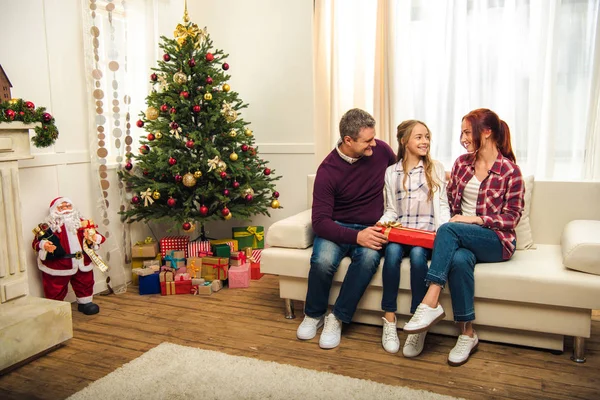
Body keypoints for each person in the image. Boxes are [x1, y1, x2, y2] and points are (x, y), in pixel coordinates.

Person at [403, 108, 525, 366]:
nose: (463, 138)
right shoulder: (461, 164)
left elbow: (512, 218)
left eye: (468, 132)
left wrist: (476, 220)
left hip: (496, 241)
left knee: (449, 229)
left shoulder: (510, 171)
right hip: (462, 238)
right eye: (462, 133)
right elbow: (448, 202)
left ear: (487, 132)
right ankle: (468, 334)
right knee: (458, 260)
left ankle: (430, 301)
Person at [296, 108, 396, 349]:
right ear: (348, 140)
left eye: (374, 137)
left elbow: (402, 177)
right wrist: (356, 236)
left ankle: (337, 318)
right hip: (337, 227)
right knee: (322, 261)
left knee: (368, 260)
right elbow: (320, 222)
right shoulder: (328, 170)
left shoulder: (382, 151)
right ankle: (314, 314)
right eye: (368, 140)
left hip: (371, 227)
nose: (375, 144)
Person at [377, 120, 450, 356]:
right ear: (404, 141)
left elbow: (442, 205)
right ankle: (389, 318)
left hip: (425, 235)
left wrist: (444, 233)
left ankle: (418, 325)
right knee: (391, 252)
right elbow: (391, 210)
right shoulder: (391, 172)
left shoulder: (435, 169)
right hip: (401, 232)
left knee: (419, 257)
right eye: (419, 137)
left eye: (427, 136)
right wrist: (381, 224)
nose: (425, 141)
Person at [32, 197, 106, 315]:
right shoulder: (49, 227)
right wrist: (45, 245)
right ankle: (56, 307)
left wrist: (94, 238)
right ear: (54, 210)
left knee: (85, 282)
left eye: (68, 206)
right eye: (62, 207)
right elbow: (36, 243)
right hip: (60, 263)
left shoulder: (81, 222)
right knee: (56, 287)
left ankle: (85, 302)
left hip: (82, 261)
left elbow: (98, 236)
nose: (66, 210)